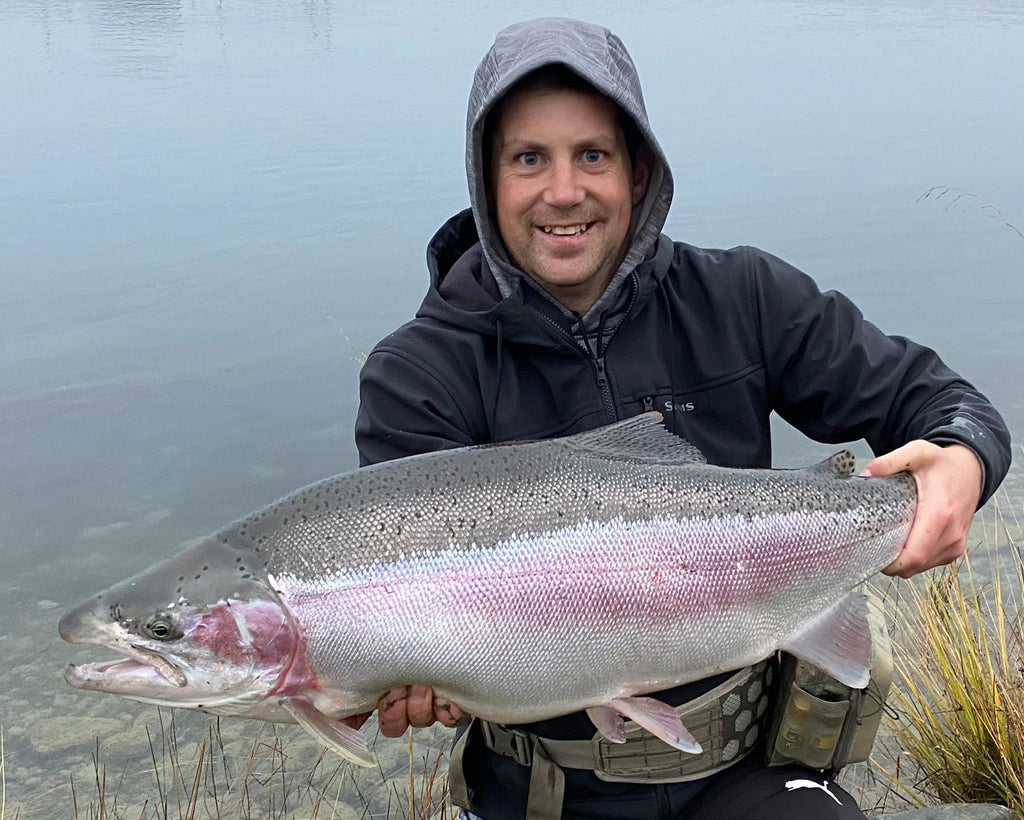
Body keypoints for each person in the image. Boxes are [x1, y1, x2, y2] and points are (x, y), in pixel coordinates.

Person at [354, 17, 1011, 820]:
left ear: (638, 170)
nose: (564, 191)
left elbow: (951, 405)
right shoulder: (416, 376)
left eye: (592, 154)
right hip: (540, 794)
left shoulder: (745, 299)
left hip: (751, 773)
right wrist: (406, 680)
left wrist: (962, 464)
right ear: (487, 181)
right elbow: (395, 624)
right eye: (530, 159)